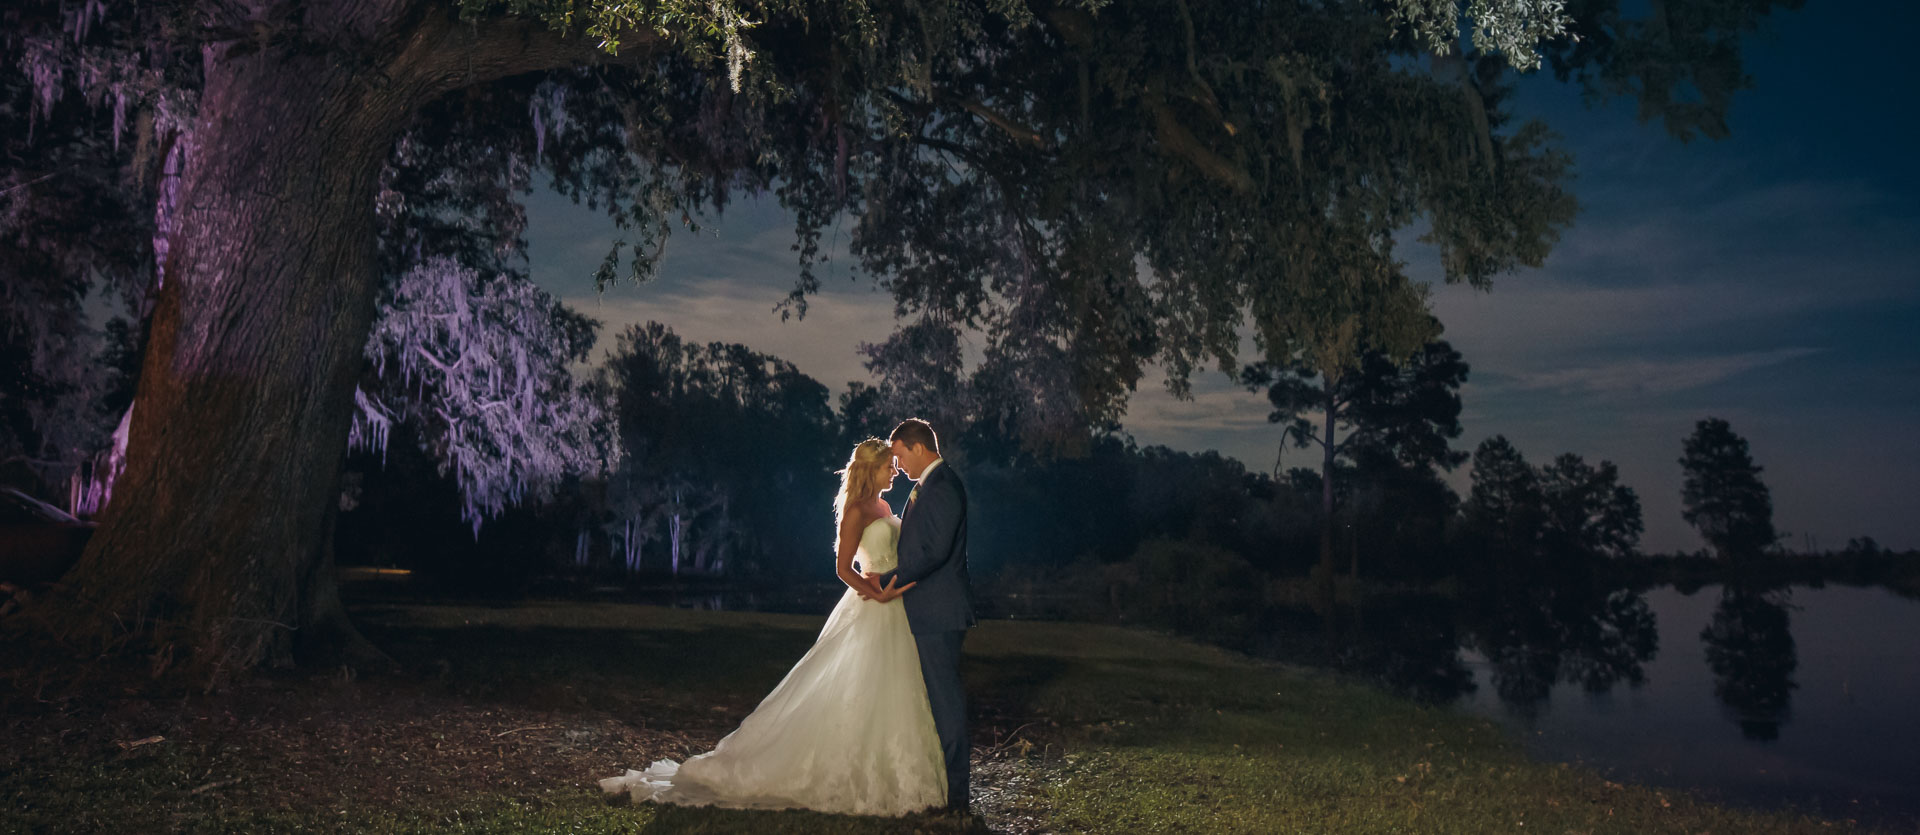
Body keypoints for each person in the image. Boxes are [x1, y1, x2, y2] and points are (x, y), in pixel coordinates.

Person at [597, 437, 946, 816]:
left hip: (896, 609)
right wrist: (874, 593)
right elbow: (844, 569)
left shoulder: (884, 505)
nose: (894, 471)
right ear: (869, 470)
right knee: (859, 685)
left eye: (894, 465)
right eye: (887, 467)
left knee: (895, 687)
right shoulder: (856, 511)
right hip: (872, 606)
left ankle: (900, 769)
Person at [880, 417, 976, 814]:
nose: (898, 466)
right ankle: (940, 785)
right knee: (932, 701)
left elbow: (934, 551)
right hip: (927, 610)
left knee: (946, 703)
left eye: (900, 456)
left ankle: (957, 798)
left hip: (939, 611)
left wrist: (890, 579)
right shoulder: (926, 487)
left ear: (918, 447)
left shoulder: (944, 487)